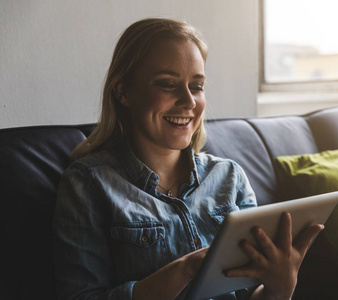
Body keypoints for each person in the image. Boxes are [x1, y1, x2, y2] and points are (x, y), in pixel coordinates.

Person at [52, 18, 323, 300]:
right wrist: (185, 269)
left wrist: (282, 285)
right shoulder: (89, 183)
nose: (189, 101)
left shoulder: (229, 176)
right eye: (168, 85)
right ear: (124, 92)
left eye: (197, 86)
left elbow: (252, 293)